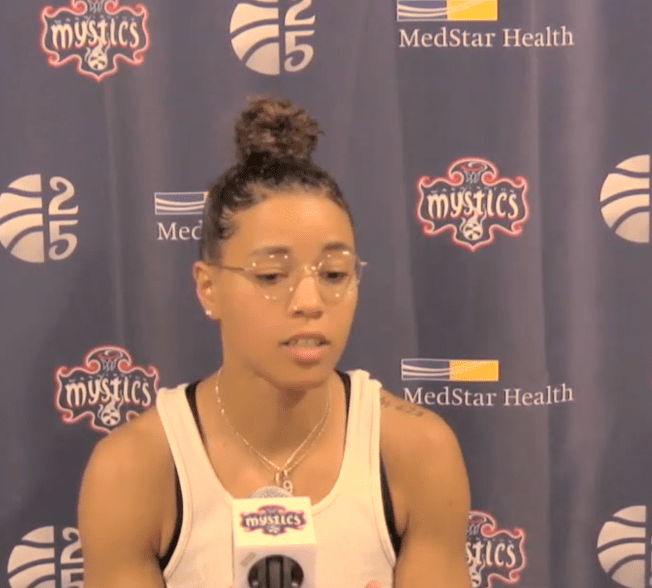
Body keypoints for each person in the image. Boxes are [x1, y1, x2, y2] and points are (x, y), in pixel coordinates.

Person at [78, 95, 471, 588]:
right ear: (208, 287)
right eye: (270, 274)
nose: (309, 300)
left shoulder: (418, 452)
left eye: (334, 273)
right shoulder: (133, 471)